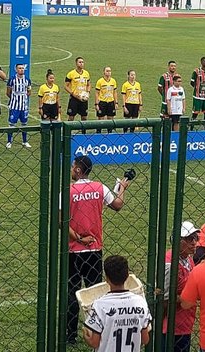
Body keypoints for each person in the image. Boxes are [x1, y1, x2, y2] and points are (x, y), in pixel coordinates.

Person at [65, 155, 131, 344]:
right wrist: (122, 190)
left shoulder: (67, 191)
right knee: (95, 293)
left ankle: (70, 336)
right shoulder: (99, 188)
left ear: (78, 170)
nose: (71, 170)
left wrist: (78, 238)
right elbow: (118, 205)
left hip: (73, 251)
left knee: (72, 292)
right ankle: (98, 331)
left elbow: (62, 222)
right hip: (95, 249)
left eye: (72, 167)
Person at [83, 255, 151, 352]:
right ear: (127, 275)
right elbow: (145, 339)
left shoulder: (99, 305)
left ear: (106, 278)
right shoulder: (140, 302)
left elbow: (94, 342)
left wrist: (86, 336)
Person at [162, 222, 199, 352]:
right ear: (176, 241)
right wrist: (189, 297)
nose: (194, 242)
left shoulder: (187, 258)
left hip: (184, 324)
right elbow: (165, 300)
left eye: (195, 238)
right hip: (171, 329)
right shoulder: (169, 264)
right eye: (189, 239)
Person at [6, 64, 32, 148]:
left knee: (24, 124)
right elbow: (8, 92)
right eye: (19, 68)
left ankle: (25, 141)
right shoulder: (12, 79)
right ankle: (9, 141)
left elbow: (29, 92)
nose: (21, 70)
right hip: (14, 106)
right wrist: (14, 99)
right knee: (11, 124)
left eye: (22, 68)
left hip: (24, 107)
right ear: (16, 70)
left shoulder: (27, 80)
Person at [65, 57, 91, 121]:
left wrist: (87, 92)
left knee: (84, 117)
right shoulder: (71, 74)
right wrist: (73, 94)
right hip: (74, 98)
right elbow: (66, 86)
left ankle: (83, 131)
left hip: (83, 98)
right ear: (76, 63)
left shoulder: (86, 73)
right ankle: (69, 130)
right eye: (80, 62)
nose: (81, 64)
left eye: (82, 62)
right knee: (71, 117)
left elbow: (89, 84)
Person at [190, 57, 205, 129]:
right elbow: (192, 82)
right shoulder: (196, 71)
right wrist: (197, 89)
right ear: (201, 62)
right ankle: (191, 128)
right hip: (198, 96)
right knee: (195, 113)